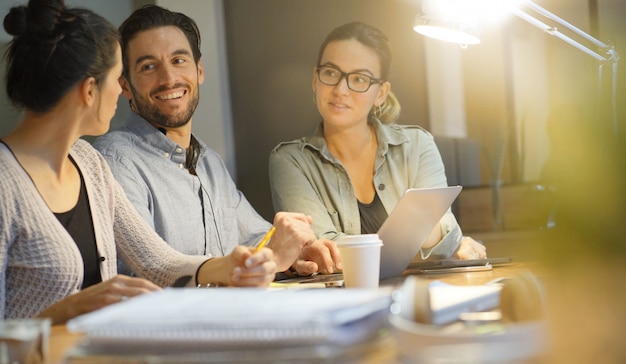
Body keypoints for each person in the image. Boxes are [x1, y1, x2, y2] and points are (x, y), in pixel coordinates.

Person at [0, 0, 277, 324]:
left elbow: (155, 263)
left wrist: (225, 266)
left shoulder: (88, 164)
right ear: (90, 91)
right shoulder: (6, 182)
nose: (120, 93)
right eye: (117, 78)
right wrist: (70, 308)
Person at [93, 5, 339, 276]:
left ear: (199, 71)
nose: (169, 79)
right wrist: (272, 256)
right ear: (125, 85)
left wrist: (295, 253)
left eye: (178, 61)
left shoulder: (209, 162)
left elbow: (255, 239)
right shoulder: (114, 161)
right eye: (149, 66)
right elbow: (147, 272)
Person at [269, 21, 485, 261]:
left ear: (380, 93)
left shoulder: (416, 145)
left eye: (359, 79)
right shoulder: (290, 161)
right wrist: (421, 237)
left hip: (415, 290)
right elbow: (322, 248)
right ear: (315, 79)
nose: (341, 89)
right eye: (330, 73)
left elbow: (446, 234)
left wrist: (445, 239)